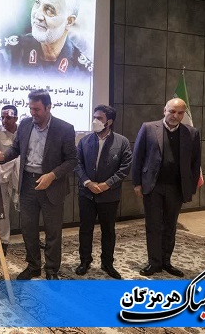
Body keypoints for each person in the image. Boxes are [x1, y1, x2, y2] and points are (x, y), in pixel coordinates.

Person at [0, 89, 77, 280]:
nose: (33, 113)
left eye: (37, 109)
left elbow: (72, 160)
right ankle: (33, 266)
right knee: (28, 228)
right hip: (28, 185)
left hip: (52, 185)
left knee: (53, 231)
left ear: (48, 107)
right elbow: (16, 149)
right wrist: (3, 156)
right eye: (31, 108)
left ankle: (51, 269)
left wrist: (52, 175)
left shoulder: (64, 128)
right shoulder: (25, 124)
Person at [132, 98, 201, 277]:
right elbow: (137, 157)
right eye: (172, 111)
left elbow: (195, 163)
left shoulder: (192, 133)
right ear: (164, 110)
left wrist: (191, 188)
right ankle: (154, 263)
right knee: (153, 225)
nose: (175, 115)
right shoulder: (148, 128)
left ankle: (166, 262)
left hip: (176, 188)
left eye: (180, 113)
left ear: (184, 114)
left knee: (170, 226)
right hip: (152, 186)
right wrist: (137, 183)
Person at [74, 105, 132, 279]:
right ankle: (85, 261)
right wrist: (87, 182)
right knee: (85, 229)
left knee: (108, 230)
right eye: (94, 117)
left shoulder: (122, 142)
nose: (95, 121)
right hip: (87, 193)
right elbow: (77, 163)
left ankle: (107, 263)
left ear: (109, 121)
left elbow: (125, 167)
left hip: (109, 195)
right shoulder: (84, 141)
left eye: (99, 118)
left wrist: (108, 184)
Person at [0, 0, 93, 77]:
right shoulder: (7, 55)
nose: (38, 15)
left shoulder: (84, 75)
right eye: (37, 2)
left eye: (49, 10)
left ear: (69, 21)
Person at [0, 105, 20, 256]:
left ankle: (33, 237)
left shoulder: (23, 130)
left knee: (29, 207)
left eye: (8, 118)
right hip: (2, 174)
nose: (4, 120)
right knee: (3, 208)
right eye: (2, 117)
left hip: (21, 174)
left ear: (16, 118)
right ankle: (4, 241)